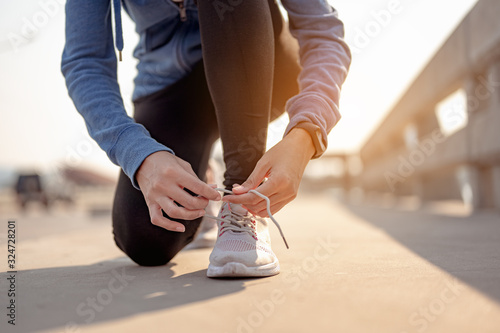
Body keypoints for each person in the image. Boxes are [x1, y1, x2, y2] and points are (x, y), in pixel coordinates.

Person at [61, 0, 351, 278]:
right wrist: (140, 155)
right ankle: (206, 173)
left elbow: (324, 32)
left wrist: (306, 133)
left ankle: (241, 204)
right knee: (145, 238)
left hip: (262, 63)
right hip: (171, 88)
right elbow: (85, 62)